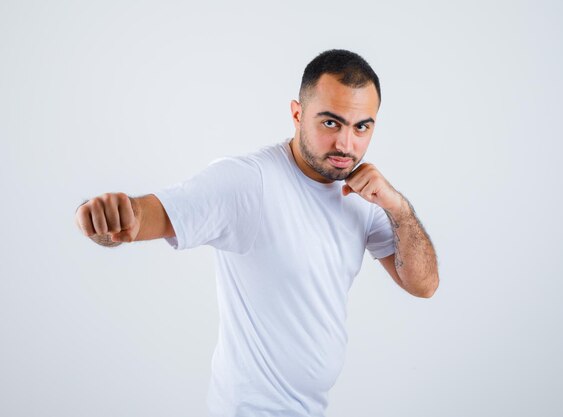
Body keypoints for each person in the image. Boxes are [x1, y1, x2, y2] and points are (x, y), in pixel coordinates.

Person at [74, 49, 439, 417]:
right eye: (330, 123)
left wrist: (399, 209)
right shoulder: (249, 182)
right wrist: (101, 216)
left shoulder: (362, 194)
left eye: (361, 127)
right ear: (297, 114)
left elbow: (423, 285)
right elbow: (139, 218)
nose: (347, 144)